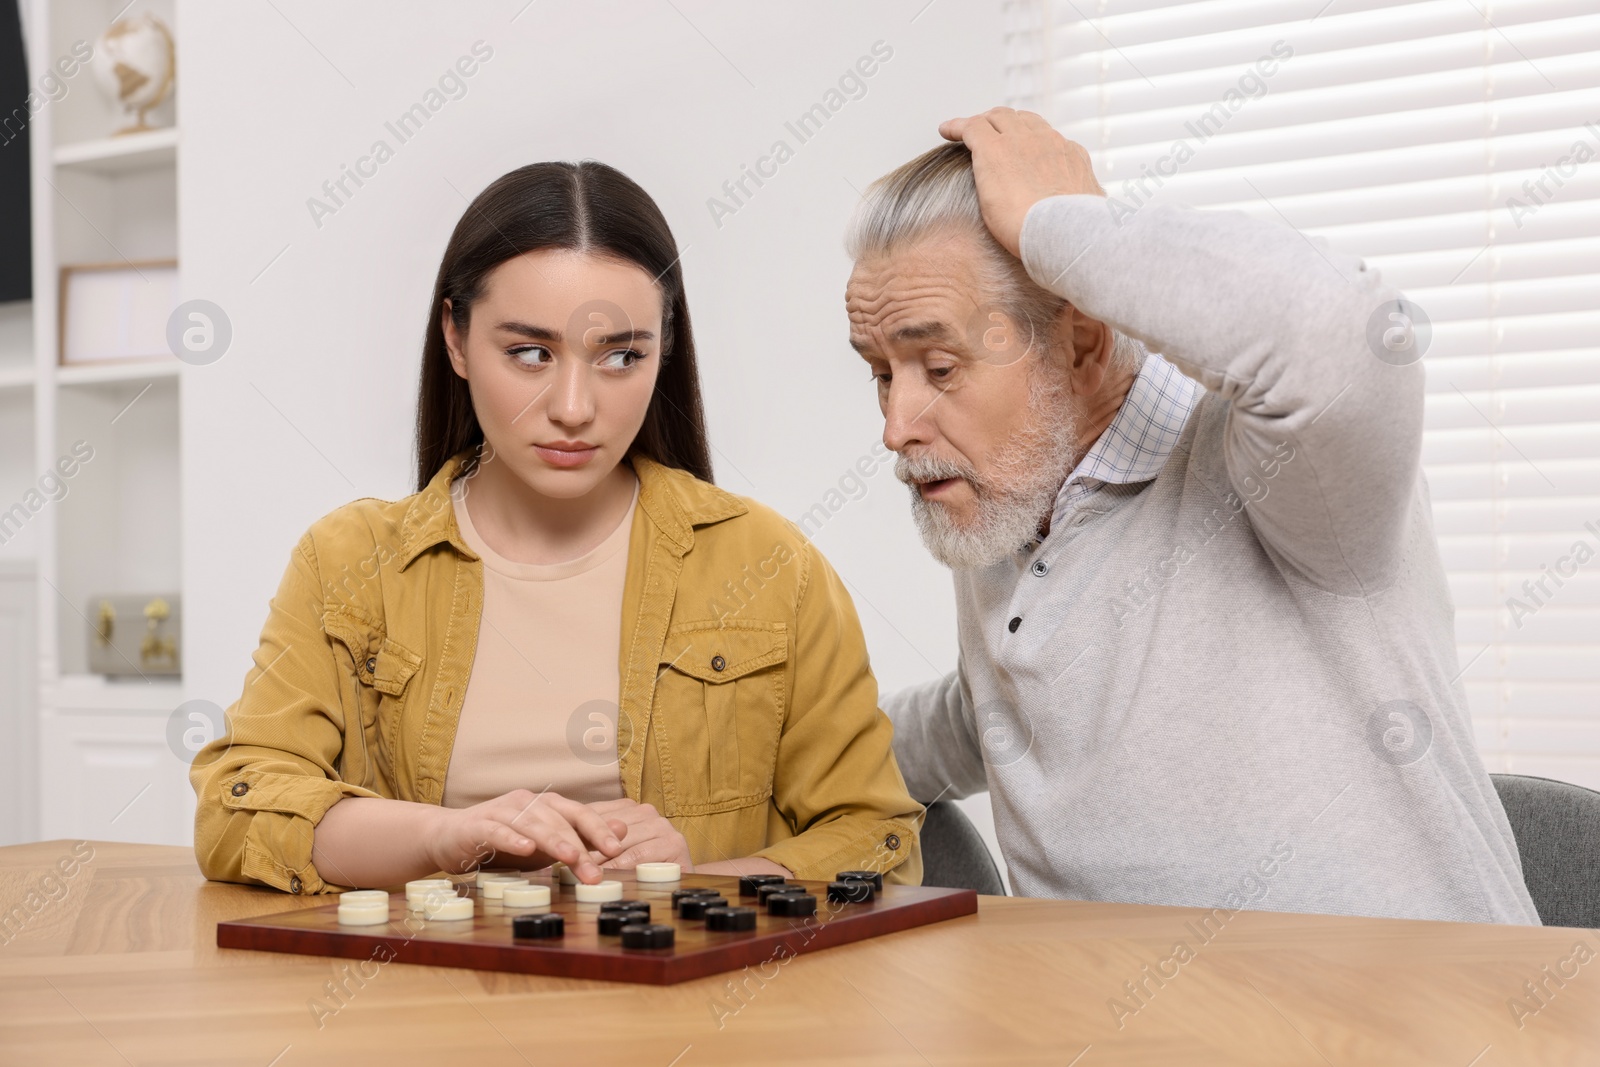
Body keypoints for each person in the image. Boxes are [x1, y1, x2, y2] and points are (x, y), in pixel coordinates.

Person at [847, 108, 1538, 924]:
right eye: (881, 374)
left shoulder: (1281, 469)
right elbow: (992, 710)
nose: (897, 426)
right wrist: (794, 769)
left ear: (1082, 340)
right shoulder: (1013, 496)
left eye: (938, 365)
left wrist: (1065, 228)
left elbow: (1346, 330)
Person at [191, 160, 921, 894]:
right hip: (418, 1004)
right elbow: (239, 811)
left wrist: (694, 876)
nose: (573, 405)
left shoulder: (770, 567)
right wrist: (447, 836)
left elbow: (877, 838)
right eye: (530, 353)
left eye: (622, 356)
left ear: (664, 351)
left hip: (679, 1007)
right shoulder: (348, 564)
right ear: (455, 338)